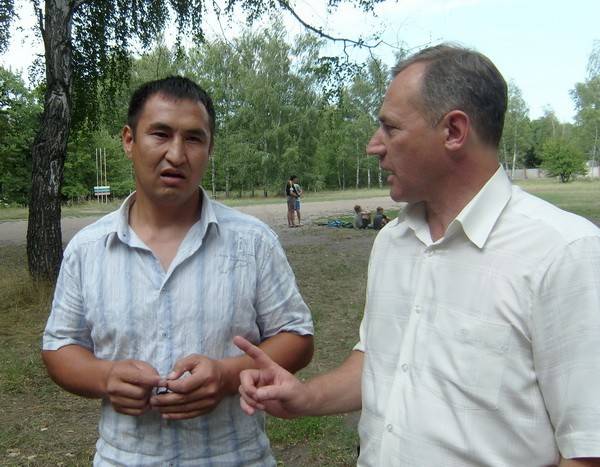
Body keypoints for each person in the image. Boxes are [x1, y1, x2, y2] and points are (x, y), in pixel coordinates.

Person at [234, 44, 600, 467]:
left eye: (390, 128)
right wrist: (305, 397)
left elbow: (588, 449)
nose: (374, 146)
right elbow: (380, 361)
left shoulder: (564, 253)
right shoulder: (392, 241)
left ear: (454, 131)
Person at [41, 76, 314, 466]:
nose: (176, 154)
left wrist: (226, 376)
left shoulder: (253, 242)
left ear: (209, 148)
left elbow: (297, 338)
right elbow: (59, 347)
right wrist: (105, 377)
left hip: (235, 456)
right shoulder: (88, 249)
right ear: (129, 140)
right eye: (160, 134)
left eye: (194, 139)